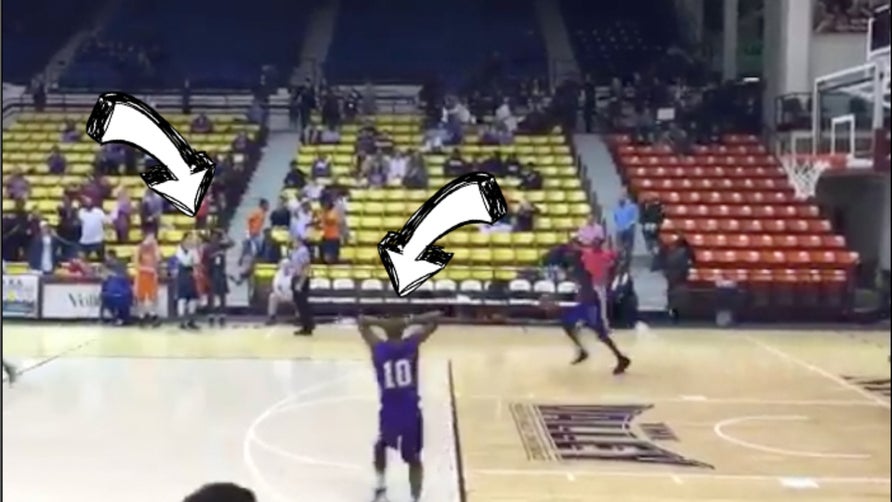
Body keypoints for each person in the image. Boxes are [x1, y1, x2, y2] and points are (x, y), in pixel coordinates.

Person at [358, 310, 443, 502]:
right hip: (410, 410)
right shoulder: (411, 344)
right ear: (403, 331)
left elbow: (361, 324)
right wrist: (410, 320)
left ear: (386, 332)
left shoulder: (377, 347)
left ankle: (380, 485)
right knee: (413, 458)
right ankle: (415, 497)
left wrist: (380, 322)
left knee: (381, 445)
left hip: (389, 409)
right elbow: (435, 320)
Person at [556, 237, 631, 373]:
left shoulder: (583, 262)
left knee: (600, 334)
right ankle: (583, 351)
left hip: (590, 304)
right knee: (567, 325)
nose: (569, 253)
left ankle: (621, 358)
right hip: (584, 303)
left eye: (571, 249)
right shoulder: (576, 265)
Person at [204, 228, 234, 326]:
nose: (215, 238)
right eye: (214, 236)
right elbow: (204, 260)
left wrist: (225, 234)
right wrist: (215, 255)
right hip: (211, 273)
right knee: (211, 296)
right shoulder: (207, 247)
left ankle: (222, 315)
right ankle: (211, 316)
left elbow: (232, 243)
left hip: (221, 273)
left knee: (222, 296)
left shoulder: (222, 246)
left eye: (217, 236)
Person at [133, 232, 162, 327]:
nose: (152, 240)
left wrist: (156, 247)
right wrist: (146, 269)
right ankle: (141, 317)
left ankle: (153, 316)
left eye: (153, 238)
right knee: (141, 297)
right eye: (150, 237)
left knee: (153, 297)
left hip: (152, 275)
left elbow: (158, 260)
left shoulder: (154, 249)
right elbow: (136, 264)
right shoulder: (139, 248)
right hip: (142, 274)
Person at [175, 232, 201, 330]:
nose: (191, 241)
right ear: (184, 240)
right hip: (182, 276)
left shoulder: (193, 250)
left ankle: (191, 320)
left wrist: (193, 251)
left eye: (192, 239)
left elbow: (197, 261)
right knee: (182, 298)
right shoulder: (179, 250)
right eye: (189, 239)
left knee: (193, 298)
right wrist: (192, 252)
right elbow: (185, 262)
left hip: (191, 275)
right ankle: (181, 321)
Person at [266, 259, 294, 324]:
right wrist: (280, 295)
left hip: (291, 294)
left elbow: (294, 287)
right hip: (281, 295)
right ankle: (272, 317)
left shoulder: (294, 273)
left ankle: (299, 317)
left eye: (287, 265)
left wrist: (289, 294)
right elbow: (275, 286)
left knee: (299, 296)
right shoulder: (278, 274)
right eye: (283, 265)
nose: (285, 267)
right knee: (272, 296)